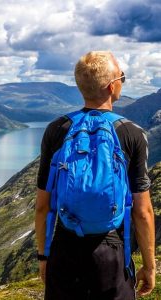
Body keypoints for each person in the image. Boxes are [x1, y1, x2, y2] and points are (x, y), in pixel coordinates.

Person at [35, 51, 155, 299]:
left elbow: (43, 207)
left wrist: (44, 257)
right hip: (111, 251)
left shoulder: (57, 129)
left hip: (65, 247)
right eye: (122, 76)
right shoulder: (131, 133)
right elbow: (142, 211)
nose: (122, 80)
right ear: (112, 86)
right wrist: (149, 266)